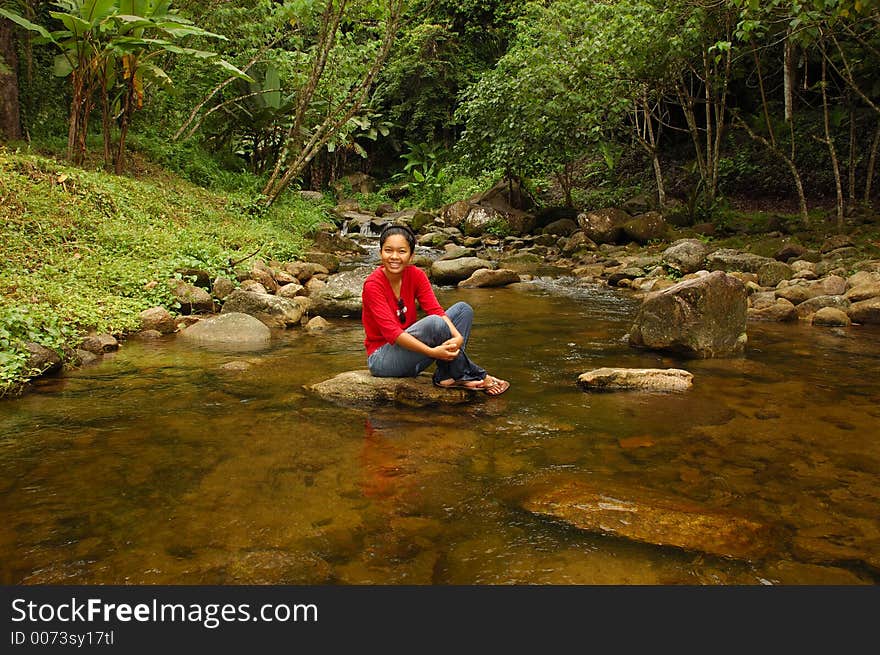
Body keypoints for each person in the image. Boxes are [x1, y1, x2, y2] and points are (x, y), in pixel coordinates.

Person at [361, 224, 510, 396]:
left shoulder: (416, 275)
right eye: (388, 250)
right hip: (383, 360)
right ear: (380, 253)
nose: (394, 256)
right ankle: (473, 374)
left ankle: (446, 375)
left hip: (412, 355)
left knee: (463, 310)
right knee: (434, 324)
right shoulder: (373, 285)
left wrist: (457, 336)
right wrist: (432, 352)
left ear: (411, 255)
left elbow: (435, 309)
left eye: (401, 251)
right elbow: (393, 333)